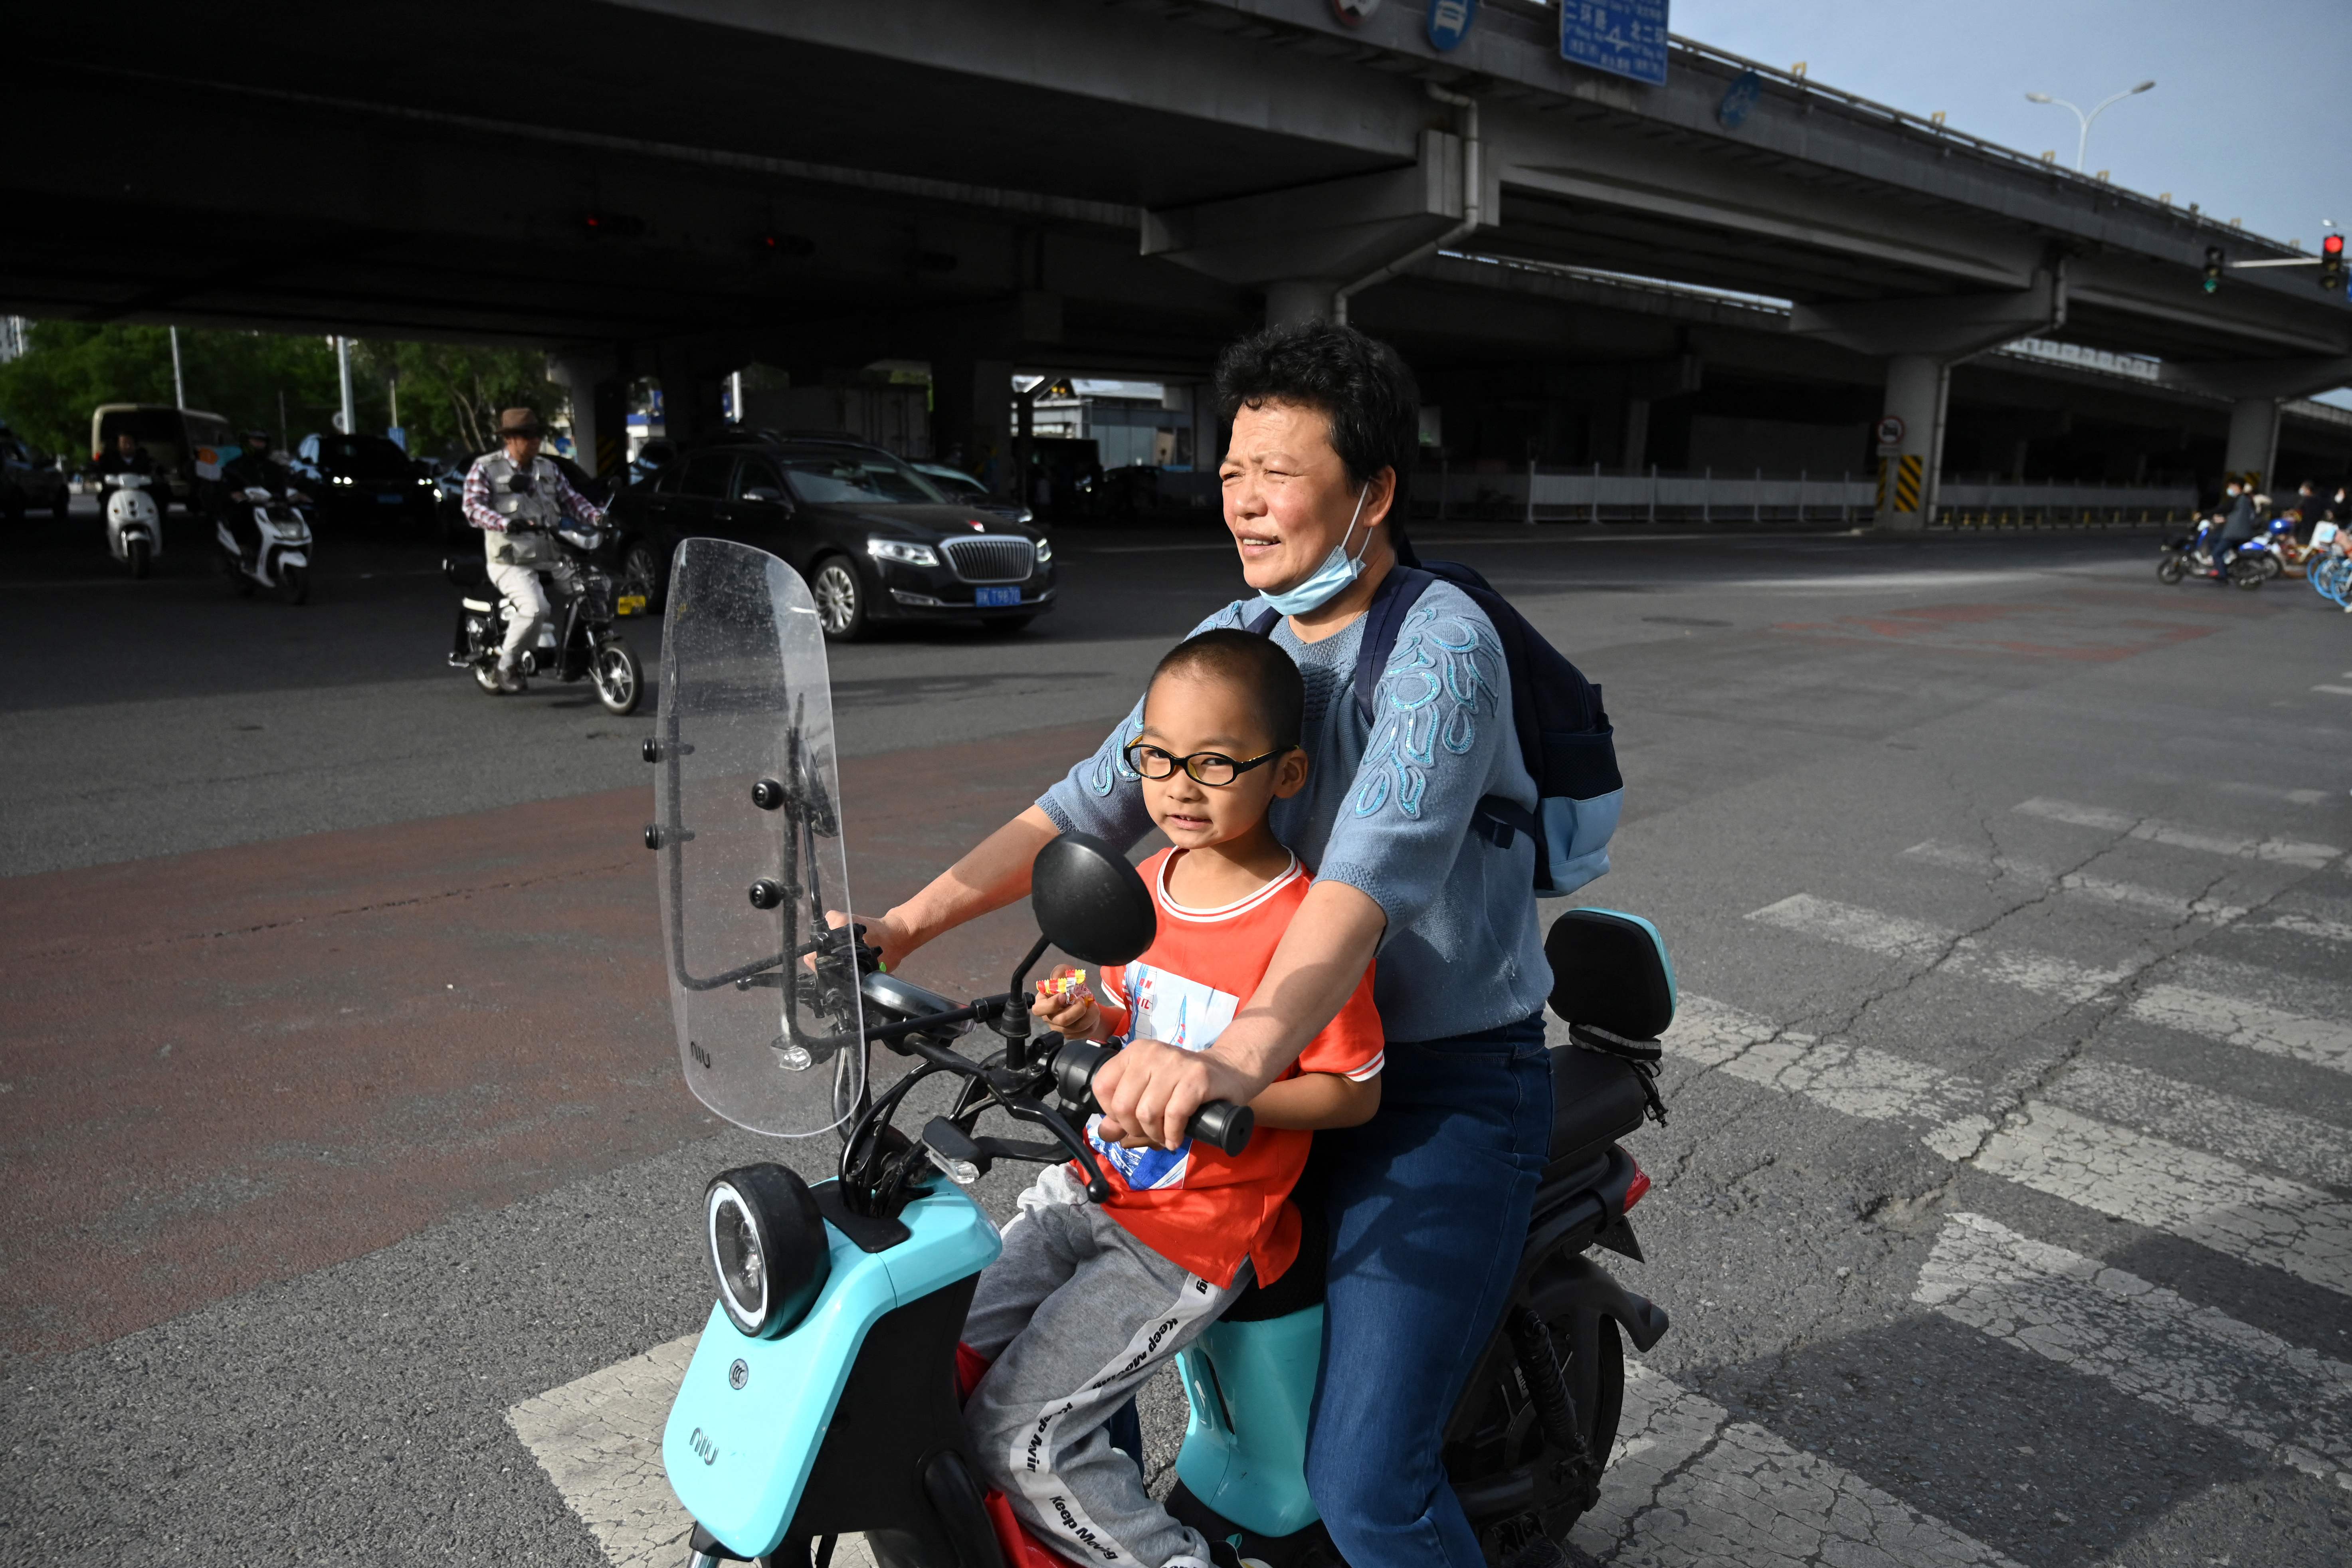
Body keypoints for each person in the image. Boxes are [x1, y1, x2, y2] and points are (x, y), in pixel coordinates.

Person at [858, 321, 1576, 1568]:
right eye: (1232, 466)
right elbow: (1089, 800)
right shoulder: (1241, 633)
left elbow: (1361, 888)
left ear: (1372, 493)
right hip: (1238, 1077)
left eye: (1281, 472)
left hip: (1433, 1088)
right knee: (1038, 1345)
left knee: (1366, 1484)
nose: (1244, 499)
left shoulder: (1440, 649)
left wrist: (1234, 1061)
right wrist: (898, 922)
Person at [960, 630, 1384, 1568]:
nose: (1178, 785)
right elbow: (1125, 1007)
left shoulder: (1307, 925)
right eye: (1156, 757)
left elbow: (1351, 1092)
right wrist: (1081, 1014)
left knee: (1019, 1435)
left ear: (1287, 773)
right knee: (932, 1356)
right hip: (1086, 1186)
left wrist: (1229, 1097)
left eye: (1214, 762)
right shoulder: (1145, 885)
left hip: (1187, 1234)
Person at [461, 407, 604, 693]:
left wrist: (596, 517)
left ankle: (576, 657)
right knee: (536, 608)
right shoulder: (486, 468)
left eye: (537, 434)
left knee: (596, 589)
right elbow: (472, 507)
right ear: (510, 440)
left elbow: (571, 500)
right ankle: (507, 665)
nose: (535, 440)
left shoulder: (548, 469)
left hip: (549, 555)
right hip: (509, 559)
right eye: (527, 436)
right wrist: (504, 523)